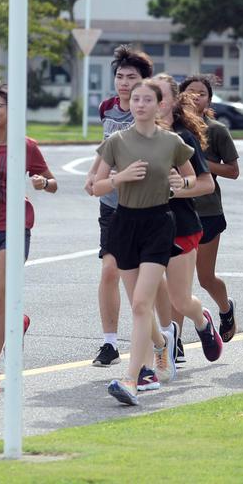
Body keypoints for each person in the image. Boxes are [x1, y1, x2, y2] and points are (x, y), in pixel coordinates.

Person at [92, 80, 222, 406]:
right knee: (140, 303)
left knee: (140, 304)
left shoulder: (173, 142)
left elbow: (198, 180)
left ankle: (132, 379)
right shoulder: (116, 142)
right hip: (124, 223)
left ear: (160, 104)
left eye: (147, 99)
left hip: (159, 224)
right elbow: (94, 186)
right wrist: (119, 179)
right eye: (135, 99)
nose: (139, 104)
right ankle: (157, 353)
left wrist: (182, 182)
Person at [0, 82, 57, 396]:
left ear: (10, 110)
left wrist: (41, 181)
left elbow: (52, 182)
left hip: (15, 226)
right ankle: (19, 320)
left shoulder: (25, 144)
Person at [86, 45, 152, 368]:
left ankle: (163, 336)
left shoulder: (145, 111)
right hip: (111, 203)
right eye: (120, 76)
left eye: (131, 78)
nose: (124, 83)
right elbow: (105, 147)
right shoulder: (107, 108)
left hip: (143, 204)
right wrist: (93, 173)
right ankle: (110, 343)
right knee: (110, 269)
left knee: (144, 277)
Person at [149, 73, 217, 385]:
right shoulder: (132, 136)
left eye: (160, 97)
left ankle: (202, 321)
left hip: (180, 225)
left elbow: (206, 183)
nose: (153, 103)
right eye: (147, 96)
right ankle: (159, 357)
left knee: (179, 300)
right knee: (143, 299)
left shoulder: (182, 138)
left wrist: (177, 186)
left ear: (174, 101)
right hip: (142, 225)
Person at [179, 75, 239, 359]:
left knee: (203, 278)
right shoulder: (171, 130)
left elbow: (233, 171)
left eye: (201, 93)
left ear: (209, 99)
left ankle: (225, 309)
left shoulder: (216, 131)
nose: (195, 98)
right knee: (178, 282)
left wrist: (201, 164)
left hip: (208, 211)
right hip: (176, 211)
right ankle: (174, 342)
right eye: (190, 93)